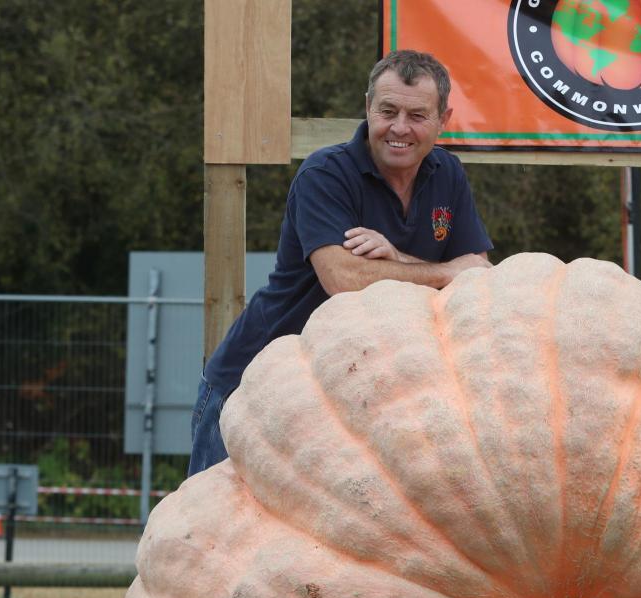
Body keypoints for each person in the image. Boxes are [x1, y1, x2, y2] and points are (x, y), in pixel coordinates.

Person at [189, 50, 493, 476]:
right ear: (368, 107)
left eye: (417, 115)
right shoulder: (325, 174)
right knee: (216, 534)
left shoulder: (449, 174)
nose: (399, 128)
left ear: (444, 118)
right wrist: (443, 272)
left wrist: (398, 257)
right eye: (387, 111)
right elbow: (344, 280)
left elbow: (477, 277)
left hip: (349, 396)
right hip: (254, 386)